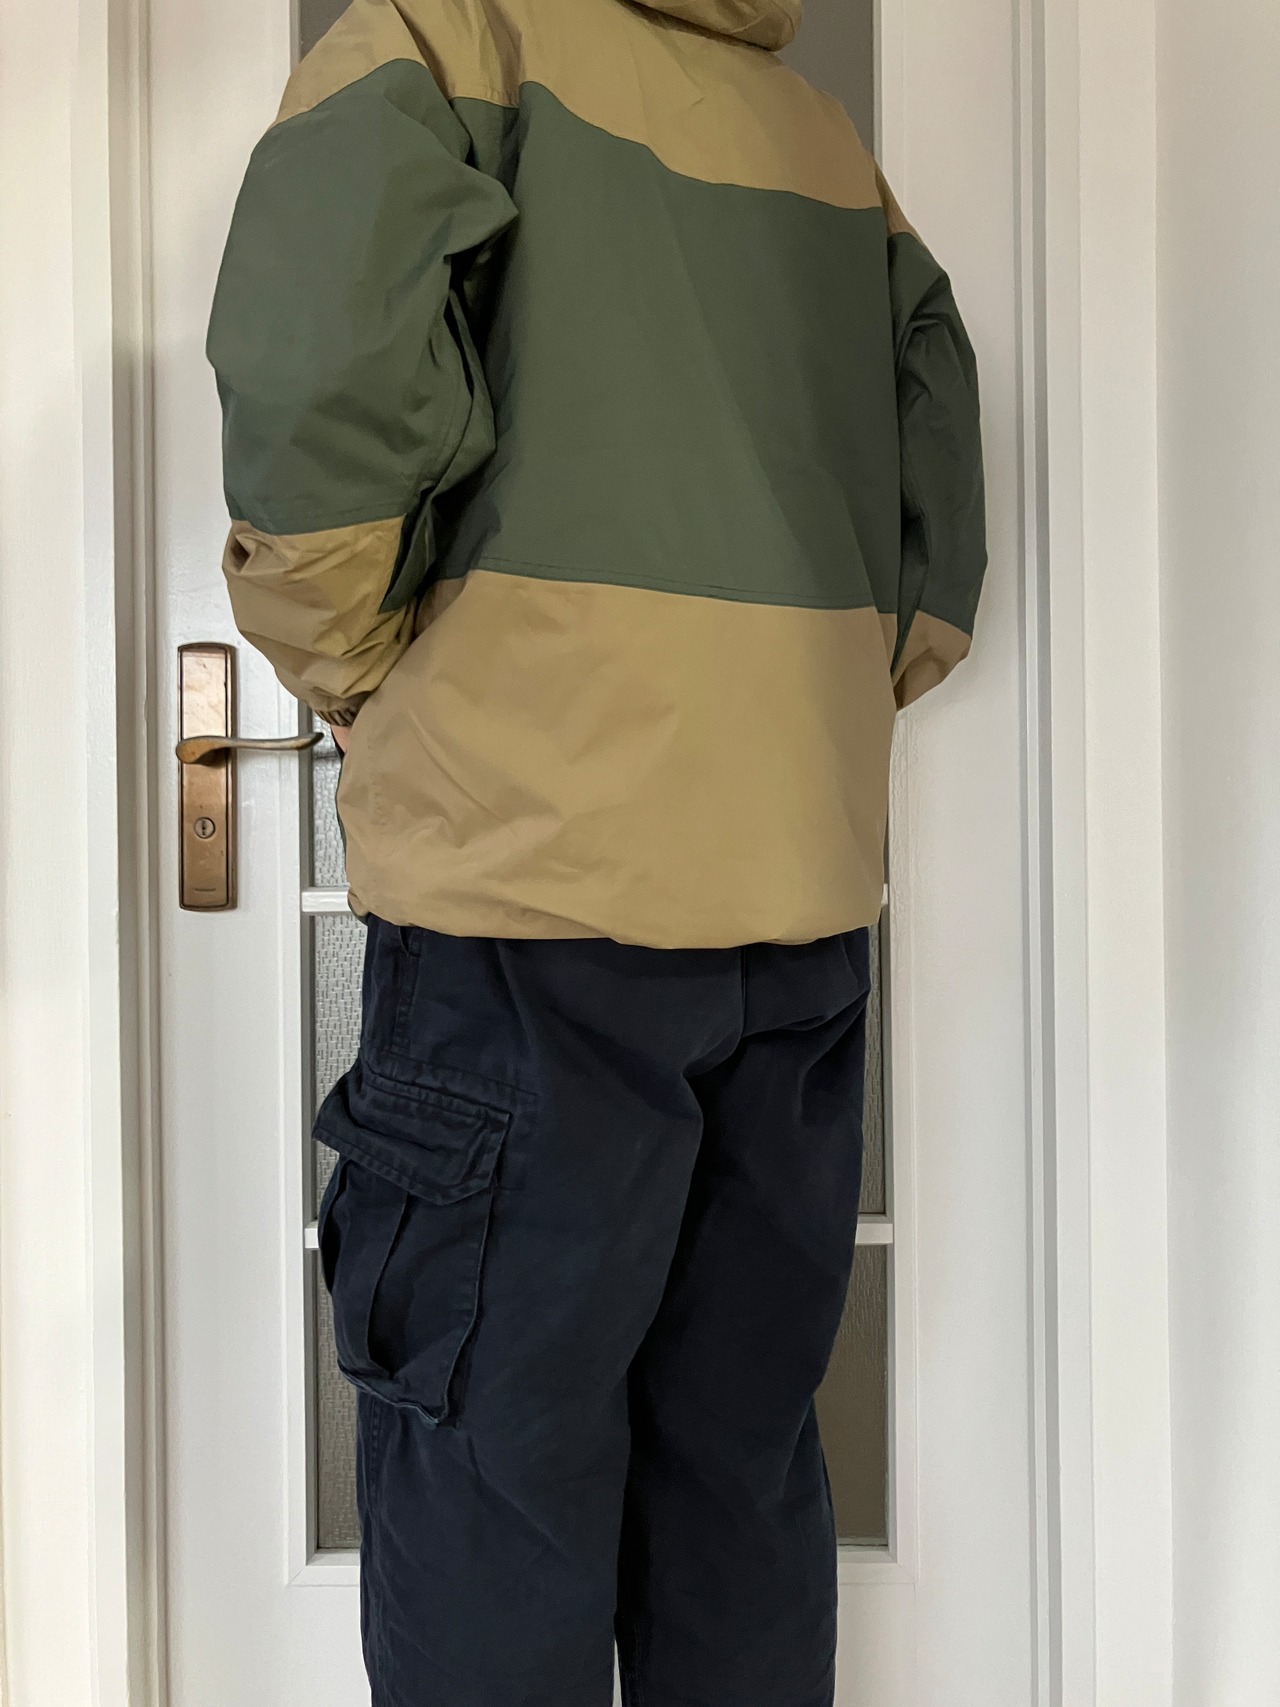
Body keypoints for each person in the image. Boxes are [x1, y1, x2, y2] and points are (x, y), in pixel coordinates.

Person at [207, 0, 986, 1700]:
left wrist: (351, 661)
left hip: (526, 904)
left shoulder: (448, 38)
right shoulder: (815, 138)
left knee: (496, 1469)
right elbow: (936, 453)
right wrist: (821, 708)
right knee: (737, 1467)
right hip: (793, 906)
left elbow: (321, 357)